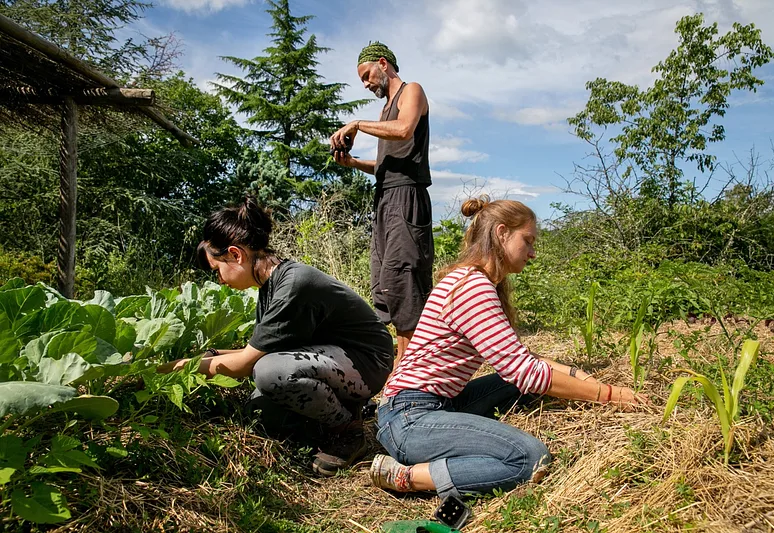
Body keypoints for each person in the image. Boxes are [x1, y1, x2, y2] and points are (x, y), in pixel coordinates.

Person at [369, 197, 649, 501]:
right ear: (502, 233)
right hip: (410, 419)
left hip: (433, 404)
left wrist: (577, 375)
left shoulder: (473, 280)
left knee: (518, 384)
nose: (533, 253)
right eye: (527, 240)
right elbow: (527, 373)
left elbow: (521, 361)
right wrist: (608, 395)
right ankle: (406, 476)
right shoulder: (473, 288)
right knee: (529, 458)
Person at [158, 198, 394, 476]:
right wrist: (207, 357)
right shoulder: (269, 286)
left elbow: (247, 364)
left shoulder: (293, 284)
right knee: (260, 411)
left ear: (235, 255)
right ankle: (342, 409)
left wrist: (169, 370)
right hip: (333, 359)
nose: (219, 280)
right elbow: (255, 350)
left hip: (366, 364)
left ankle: (347, 430)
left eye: (216, 270)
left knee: (270, 373)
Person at [330, 41, 433, 363]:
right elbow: (386, 165)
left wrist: (357, 124)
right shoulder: (383, 110)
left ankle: (408, 371)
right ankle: (403, 364)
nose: (365, 84)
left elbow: (404, 130)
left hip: (407, 197)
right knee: (386, 281)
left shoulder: (411, 91)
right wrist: (354, 163)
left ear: (382, 63)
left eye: (366, 75)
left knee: (405, 278)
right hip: (385, 199)